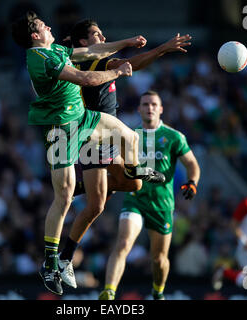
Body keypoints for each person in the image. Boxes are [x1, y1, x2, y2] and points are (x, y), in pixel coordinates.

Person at [10, 11, 165, 296]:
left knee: (129, 138)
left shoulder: (54, 49)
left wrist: (128, 41)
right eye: (42, 25)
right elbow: (84, 78)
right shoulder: (39, 59)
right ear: (35, 35)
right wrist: (117, 71)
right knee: (65, 195)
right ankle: (50, 264)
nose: (48, 25)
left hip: (82, 118)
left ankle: (131, 170)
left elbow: (92, 50)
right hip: (60, 129)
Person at [57, 19, 192, 289]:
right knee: (128, 185)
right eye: (97, 34)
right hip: (99, 136)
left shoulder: (86, 61)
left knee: (110, 196)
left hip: (97, 137)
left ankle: (65, 250)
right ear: (83, 42)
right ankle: (65, 255)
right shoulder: (93, 63)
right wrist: (162, 48)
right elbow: (134, 64)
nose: (103, 37)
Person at [98, 90, 201, 300]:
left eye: (154, 104)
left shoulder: (174, 137)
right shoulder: (130, 135)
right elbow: (118, 166)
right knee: (124, 243)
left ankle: (158, 291)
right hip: (135, 199)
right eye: (145, 104)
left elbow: (192, 164)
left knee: (159, 258)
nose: (150, 108)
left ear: (161, 109)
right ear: (139, 109)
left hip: (162, 204)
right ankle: (109, 291)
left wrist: (192, 183)